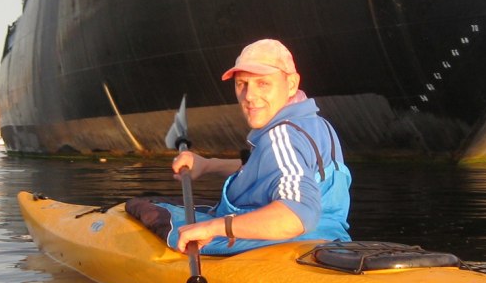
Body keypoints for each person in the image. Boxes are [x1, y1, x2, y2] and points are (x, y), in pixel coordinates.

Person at [126, 38, 352, 255]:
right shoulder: (317, 124)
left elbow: (298, 214)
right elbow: (267, 169)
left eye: (263, 83)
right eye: (241, 84)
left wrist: (215, 228)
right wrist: (207, 165)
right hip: (331, 243)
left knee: (155, 216)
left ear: (291, 84)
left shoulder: (282, 136)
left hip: (279, 245)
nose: (249, 96)